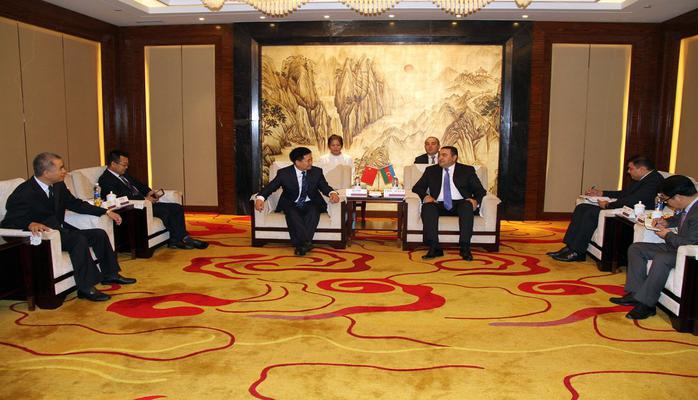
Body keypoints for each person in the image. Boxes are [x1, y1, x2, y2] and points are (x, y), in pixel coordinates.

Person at [1, 152, 136, 302]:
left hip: (61, 230)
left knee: (98, 234)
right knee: (78, 239)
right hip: (45, 237)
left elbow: (75, 204)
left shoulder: (58, 185)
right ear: (46, 173)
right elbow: (8, 223)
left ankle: (110, 274)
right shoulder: (24, 192)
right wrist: (29, 223)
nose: (65, 171)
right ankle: (86, 288)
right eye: (61, 168)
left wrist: (105, 211)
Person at [610, 175, 697, 320]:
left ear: (678, 197)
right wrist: (667, 222)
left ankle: (647, 304)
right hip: (676, 247)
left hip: (689, 254)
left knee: (662, 259)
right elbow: (682, 218)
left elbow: (690, 244)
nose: (667, 203)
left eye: (667, 200)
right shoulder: (690, 206)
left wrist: (667, 235)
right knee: (636, 249)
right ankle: (635, 293)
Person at [548, 155, 664, 262]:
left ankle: (577, 252)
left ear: (642, 169)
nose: (628, 171)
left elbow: (632, 200)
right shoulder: (643, 178)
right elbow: (624, 193)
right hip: (625, 207)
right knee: (582, 207)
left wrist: (608, 205)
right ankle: (570, 246)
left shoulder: (654, 180)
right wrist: (601, 193)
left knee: (591, 213)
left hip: (633, 212)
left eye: (630, 168)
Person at [98, 150, 208, 250]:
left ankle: (180, 238)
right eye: (124, 165)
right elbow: (121, 198)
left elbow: (139, 185)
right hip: (136, 209)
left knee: (177, 207)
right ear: (113, 164)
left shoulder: (124, 174)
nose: (126, 167)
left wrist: (149, 192)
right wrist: (145, 200)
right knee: (165, 212)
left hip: (146, 203)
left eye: (127, 165)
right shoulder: (105, 179)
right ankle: (179, 239)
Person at [255, 147, 340, 256]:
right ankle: (305, 244)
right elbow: (271, 186)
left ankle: (301, 245)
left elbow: (324, 186)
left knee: (313, 212)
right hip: (291, 203)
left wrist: (332, 193)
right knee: (292, 214)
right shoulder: (284, 173)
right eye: (308, 160)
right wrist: (260, 198)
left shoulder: (316, 172)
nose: (311, 162)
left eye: (311, 159)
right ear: (297, 162)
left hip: (311, 202)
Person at [412, 146, 486, 261]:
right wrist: (426, 196)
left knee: (467, 206)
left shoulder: (467, 170)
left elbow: (480, 190)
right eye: (440, 155)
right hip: (438, 203)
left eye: (444, 155)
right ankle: (434, 247)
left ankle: (465, 247)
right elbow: (417, 187)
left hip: (460, 203)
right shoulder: (431, 170)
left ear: (454, 157)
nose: (440, 158)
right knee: (427, 207)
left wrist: (476, 200)